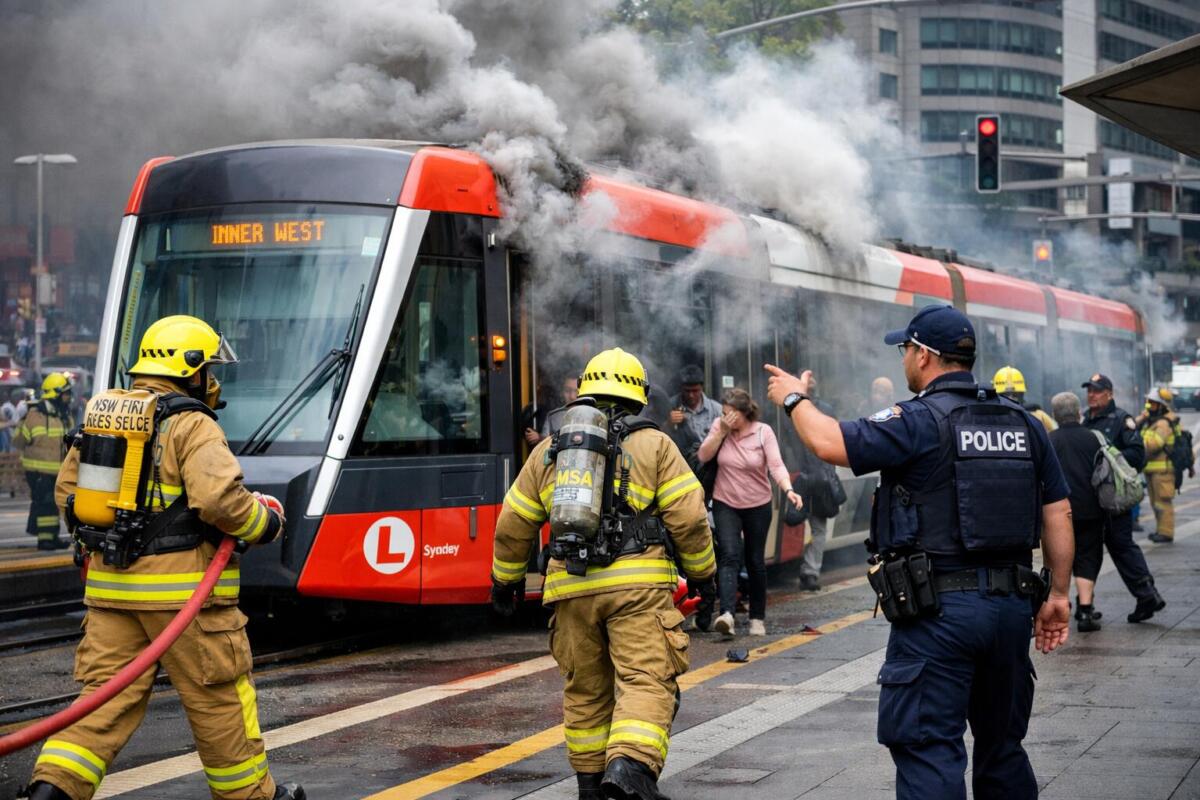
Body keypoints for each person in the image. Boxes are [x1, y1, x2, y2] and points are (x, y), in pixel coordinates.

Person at [764, 304, 1074, 800]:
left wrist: (794, 397)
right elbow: (1058, 512)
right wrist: (1058, 593)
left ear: (925, 356)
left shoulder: (917, 419)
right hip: (1012, 610)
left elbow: (829, 443)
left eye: (905, 349)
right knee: (1003, 748)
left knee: (928, 748)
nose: (903, 358)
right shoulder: (1025, 424)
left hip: (940, 616)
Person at [23, 316, 304, 800]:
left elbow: (67, 494)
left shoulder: (103, 413)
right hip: (186, 603)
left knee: (101, 704)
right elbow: (219, 502)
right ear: (191, 370)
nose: (213, 382)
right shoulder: (191, 424)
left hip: (111, 596)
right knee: (219, 702)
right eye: (209, 371)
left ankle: (51, 791)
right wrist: (266, 524)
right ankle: (252, 797)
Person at [490, 347, 716, 800]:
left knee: (586, 692)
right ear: (639, 396)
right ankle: (630, 770)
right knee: (645, 679)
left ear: (586, 390)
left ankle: (591, 789)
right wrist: (703, 574)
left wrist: (506, 581)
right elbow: (689, 518)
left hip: (568, 588)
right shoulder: (656, 444)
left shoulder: (551, 449)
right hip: (636, 589)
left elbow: (513, 521)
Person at [696, 389, 801, 636]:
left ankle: (757, 618)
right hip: (726, 502)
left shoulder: (763, 432)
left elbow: (776, 465)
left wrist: (788, 490)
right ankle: (727, 614)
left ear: (743, 414)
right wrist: (720, 430)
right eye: (723, 414)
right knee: (729, 556)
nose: (725, 418)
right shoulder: (719, 427)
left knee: (755, 561)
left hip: (758, 505)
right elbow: (703, 455)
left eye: (729, 414)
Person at [1082, 373, 1167, 623]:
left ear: (1109, 393)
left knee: (1121, 545)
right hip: (1092, 499)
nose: (1091, 395)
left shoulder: (1121, 420)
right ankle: (1086, 605)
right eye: (1089, 390)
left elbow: (1137, 454)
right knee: (1091, 550)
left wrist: (1110, 463)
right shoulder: (1085, 420)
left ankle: (1147, 593)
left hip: (1115, 499)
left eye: (1097, 391)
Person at [1048, 391, 1105, 632]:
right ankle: (1085, 610)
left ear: (1055, 415)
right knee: (1088, 555)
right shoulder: (1092, 438)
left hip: (1058, 509)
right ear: (1079, 412)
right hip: (1090, 508)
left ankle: (1061, 602)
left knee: (1060, 555)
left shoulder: (1049, 439)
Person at [14, 373, 75, 550]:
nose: (68, 397)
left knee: (53, 503)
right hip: (38, 471)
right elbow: (18, 441)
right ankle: (45, 540)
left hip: (57, 471)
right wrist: (21, 422)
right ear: (54, 393)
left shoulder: (63, 415)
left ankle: (52, 536)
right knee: (45, 503)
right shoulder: (35, 415)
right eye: (65, 393)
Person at [1137, 387, 1178, 544]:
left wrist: (1138, 445)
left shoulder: (1163, 423)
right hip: (1154, 470)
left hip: (1163, 471)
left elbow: (1155, 444)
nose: (1149, 407)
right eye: (1148, 403)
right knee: (1156, 502)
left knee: (1163, 502)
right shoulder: (1153, 421)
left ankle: (1166, 533)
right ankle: (1161, 530)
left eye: (1152, 404)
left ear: (1161, 406)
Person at [668, 364, 722, 448]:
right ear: (681, 388)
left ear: (702, 388)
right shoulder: (669, 406)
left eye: (695, 391)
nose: (691, 395)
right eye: (687, 391)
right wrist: (668, 423)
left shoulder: (716, 410)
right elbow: (657, 436)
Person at [993, 365, 1056, 432]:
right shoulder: (990, 416)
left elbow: (1055, 436)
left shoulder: (1039, 416)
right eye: (1005, 395)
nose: (1010, 398)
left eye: (1015, 395)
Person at [540, 375, 580, 440]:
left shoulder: (592, 416)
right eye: (567, 391)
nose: (572, 396)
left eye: (576, 391)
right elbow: (544, 445)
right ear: (562, 392)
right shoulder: (552, 417)